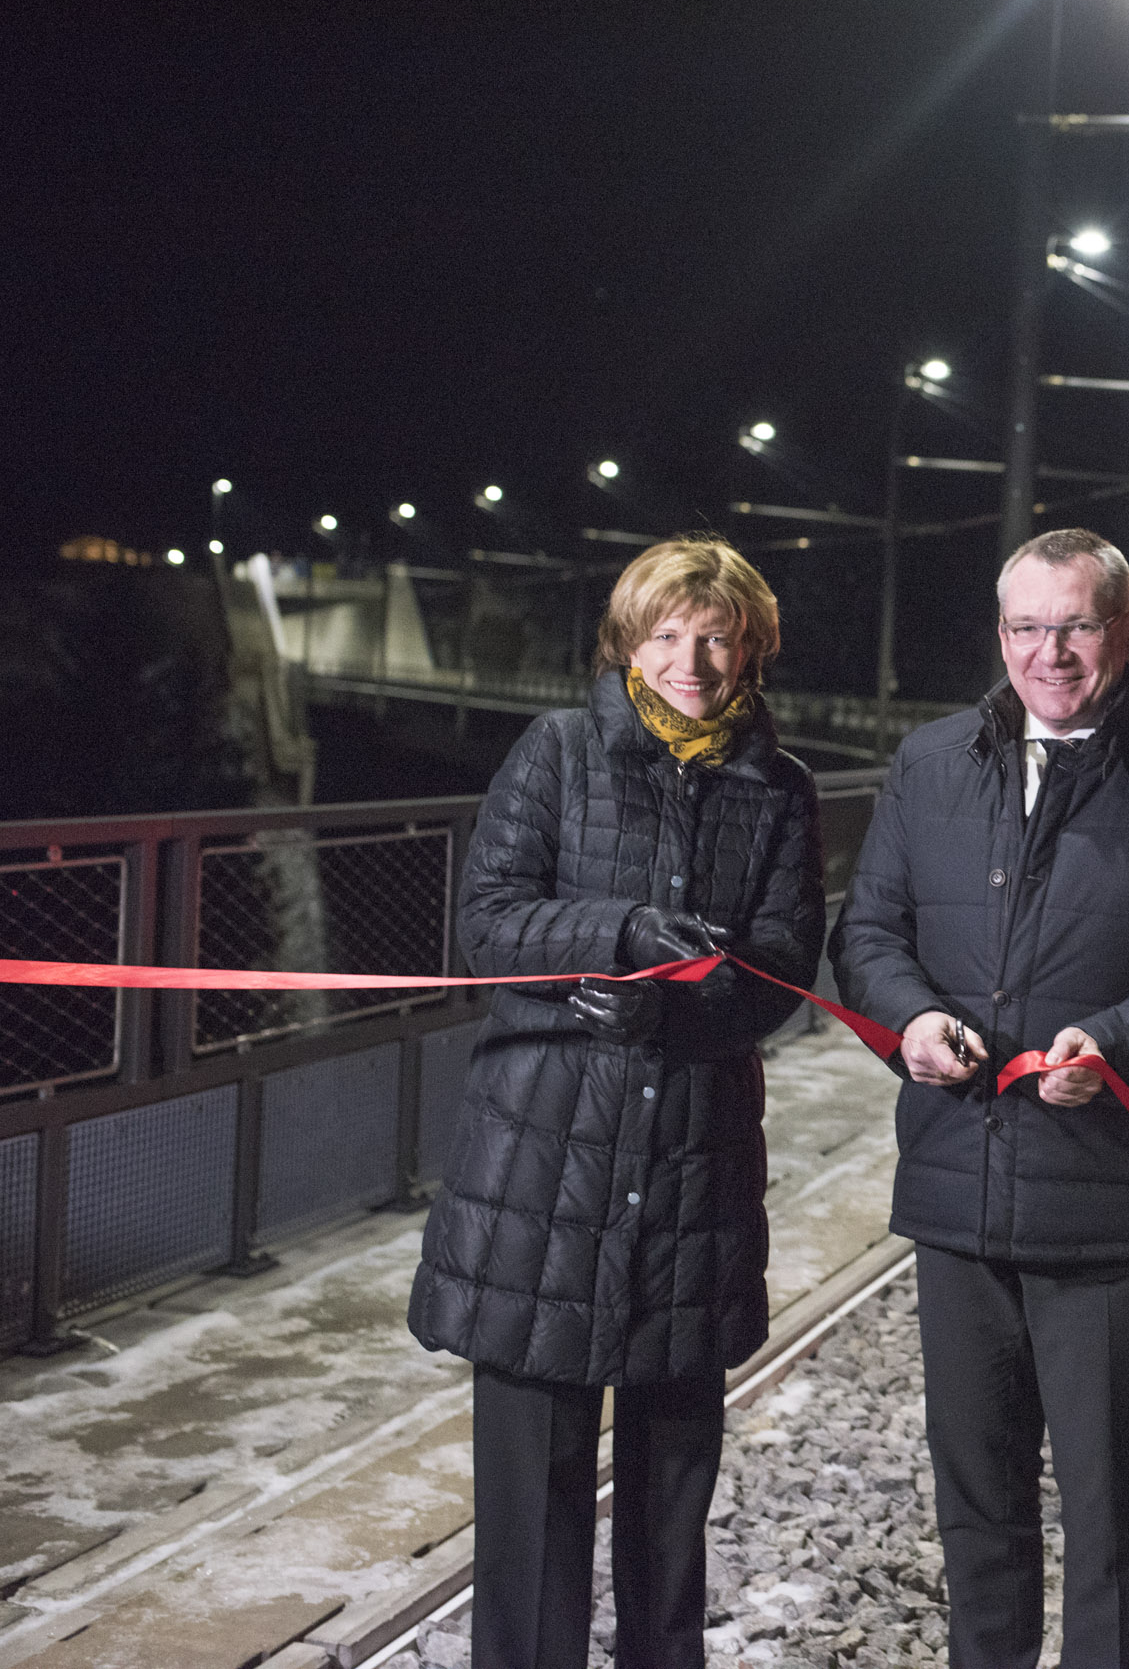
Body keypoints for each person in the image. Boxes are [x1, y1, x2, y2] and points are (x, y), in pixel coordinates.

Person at [830, 527, 1129, 1669]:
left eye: (1076, 625)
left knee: (1111, 1515)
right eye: (1027, 627)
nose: (1051, 653)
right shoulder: (931, 763)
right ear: (1000, 634)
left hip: (1109, 1201)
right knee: (975, 1505)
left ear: (1124, 632)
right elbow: (870, 932)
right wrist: (911, 1024)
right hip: (956, 1191)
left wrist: (1120, 1043)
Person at [406, 537, 826, 1669]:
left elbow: (786, 965)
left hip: (691, 1175)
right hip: (544, 1174)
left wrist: (699, 994)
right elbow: (487, 920)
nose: (692, 659)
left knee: (669, 1507)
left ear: (751, 649)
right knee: (531, 1512)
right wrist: (617, 934)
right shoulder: (556, 750)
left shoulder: (777, 790)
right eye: (669, 634)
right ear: (630, 643)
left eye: (717, 635)